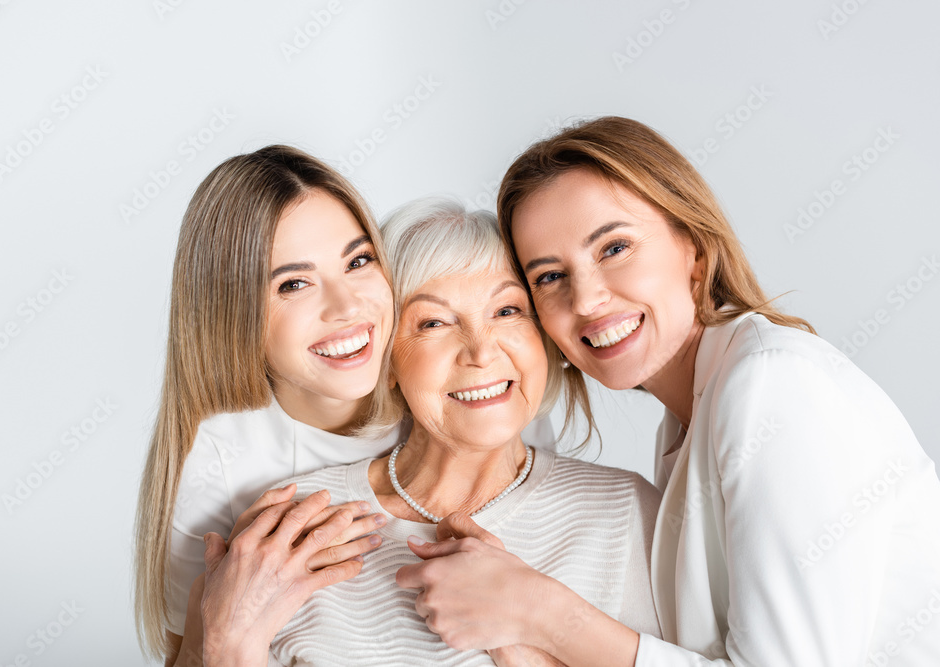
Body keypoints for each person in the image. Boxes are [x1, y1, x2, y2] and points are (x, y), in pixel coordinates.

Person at [395, 117, 940, 665]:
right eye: (550, 277)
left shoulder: (772, 385)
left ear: (694, 248)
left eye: (614, 248)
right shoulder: (687, 419)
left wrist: (542, 612)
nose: (586, 300)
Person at [133, 147, 555, 665]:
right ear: (233, 314)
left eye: (358, 261)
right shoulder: (222, 465)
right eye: (293, 283)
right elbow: (195, 651)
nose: (348, 307)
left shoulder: (468, 388)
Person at [228, 198, 659, 666]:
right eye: (433, 322)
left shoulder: (628, 513)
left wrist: (520, 636)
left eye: (508, 311)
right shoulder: (296, 526)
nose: (480, 351)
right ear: (387, 359)